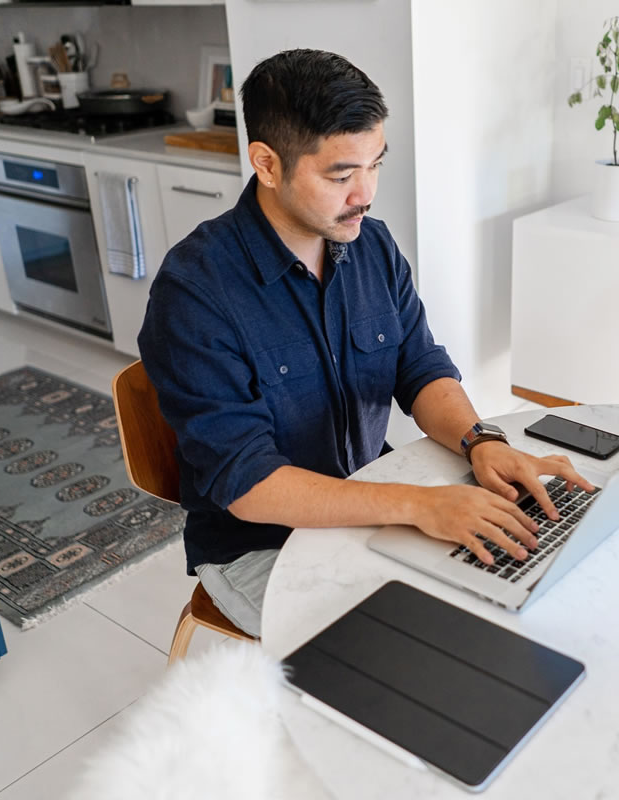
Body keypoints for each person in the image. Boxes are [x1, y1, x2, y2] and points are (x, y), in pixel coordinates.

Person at [137, 49, 593, 637]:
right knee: (424, 645)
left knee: (520, 589)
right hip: (260, 546)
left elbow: (420, 367)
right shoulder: (195, 291)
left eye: (375, 164)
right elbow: (248, 483)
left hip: (373, 498)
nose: (366, 192)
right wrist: (419, 506)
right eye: (341, 175)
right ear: (267, 164)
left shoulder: (371, 246)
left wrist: (480, 441)